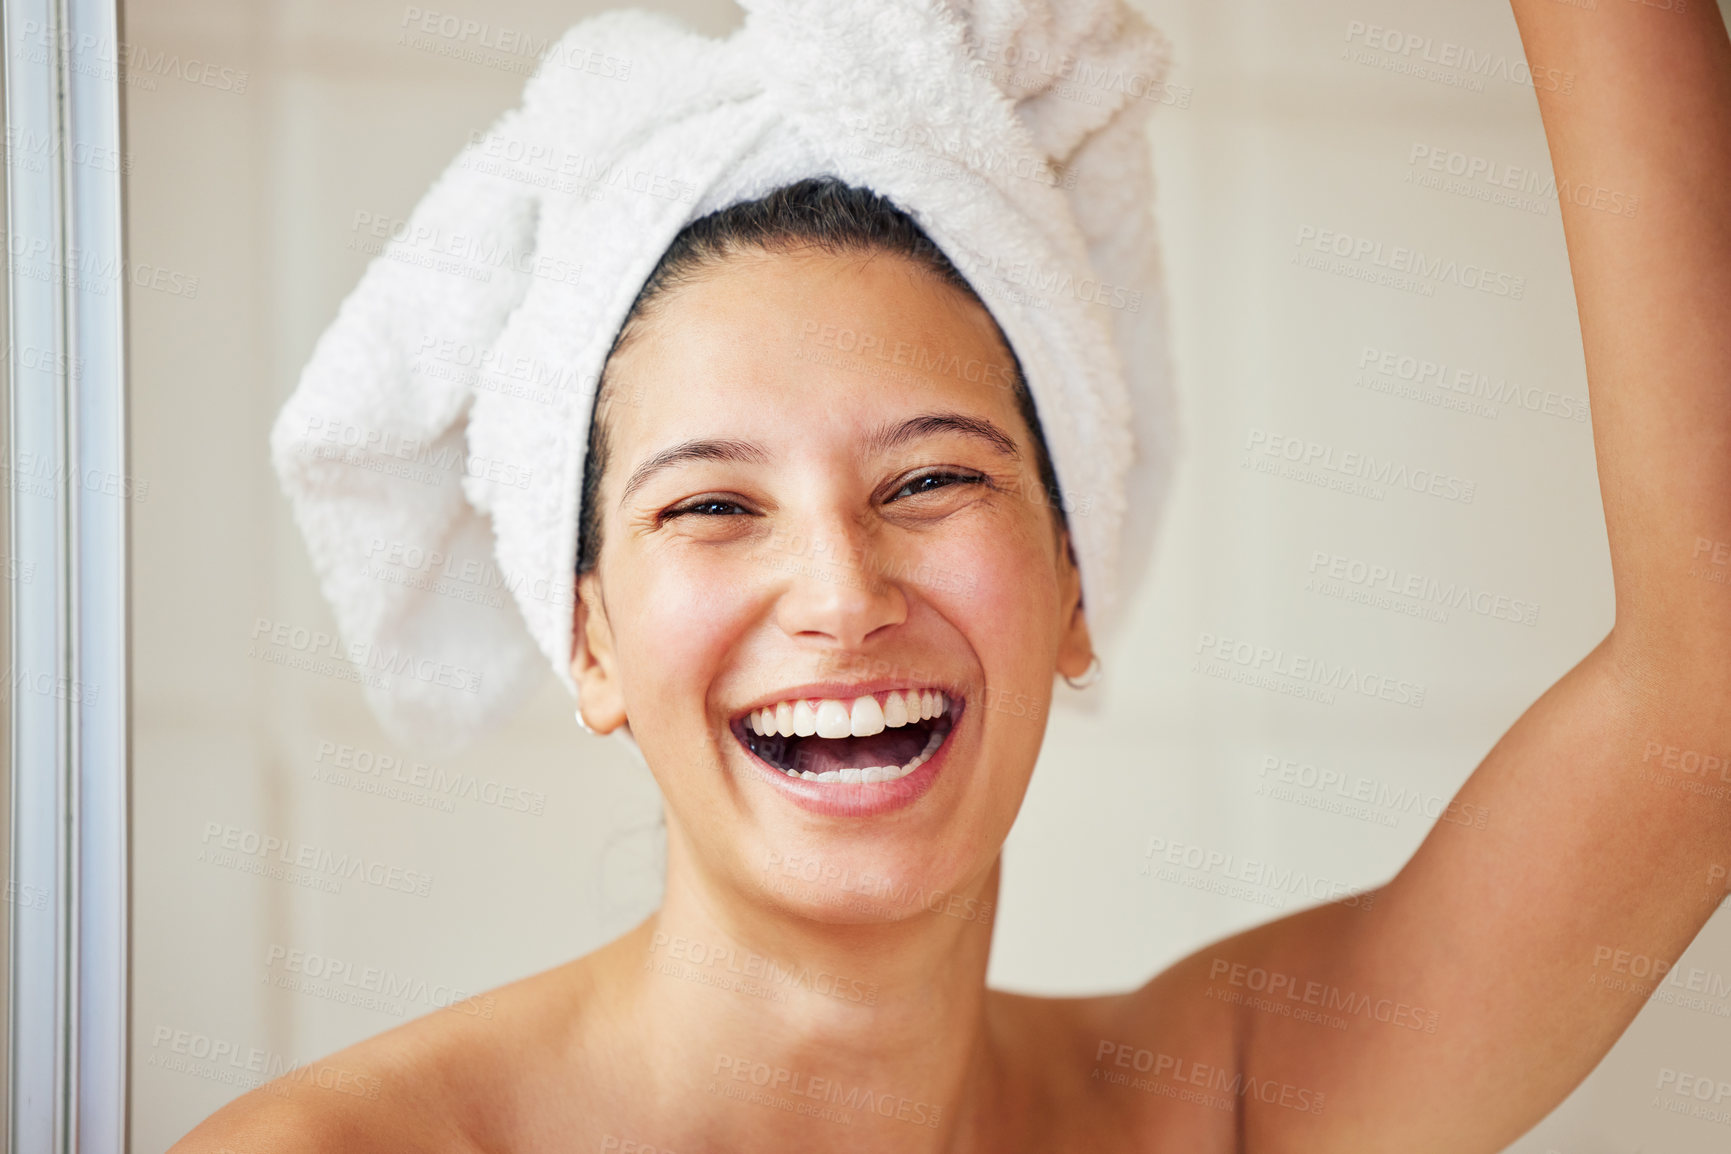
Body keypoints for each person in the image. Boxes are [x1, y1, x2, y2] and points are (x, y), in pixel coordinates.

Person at [176, 0, 1731, 1150]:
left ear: (1071, 575)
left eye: (928, 480)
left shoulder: (1225, 1115)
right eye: (714, 505)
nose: (840, 592)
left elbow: (1709, 700)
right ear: (585, 634)